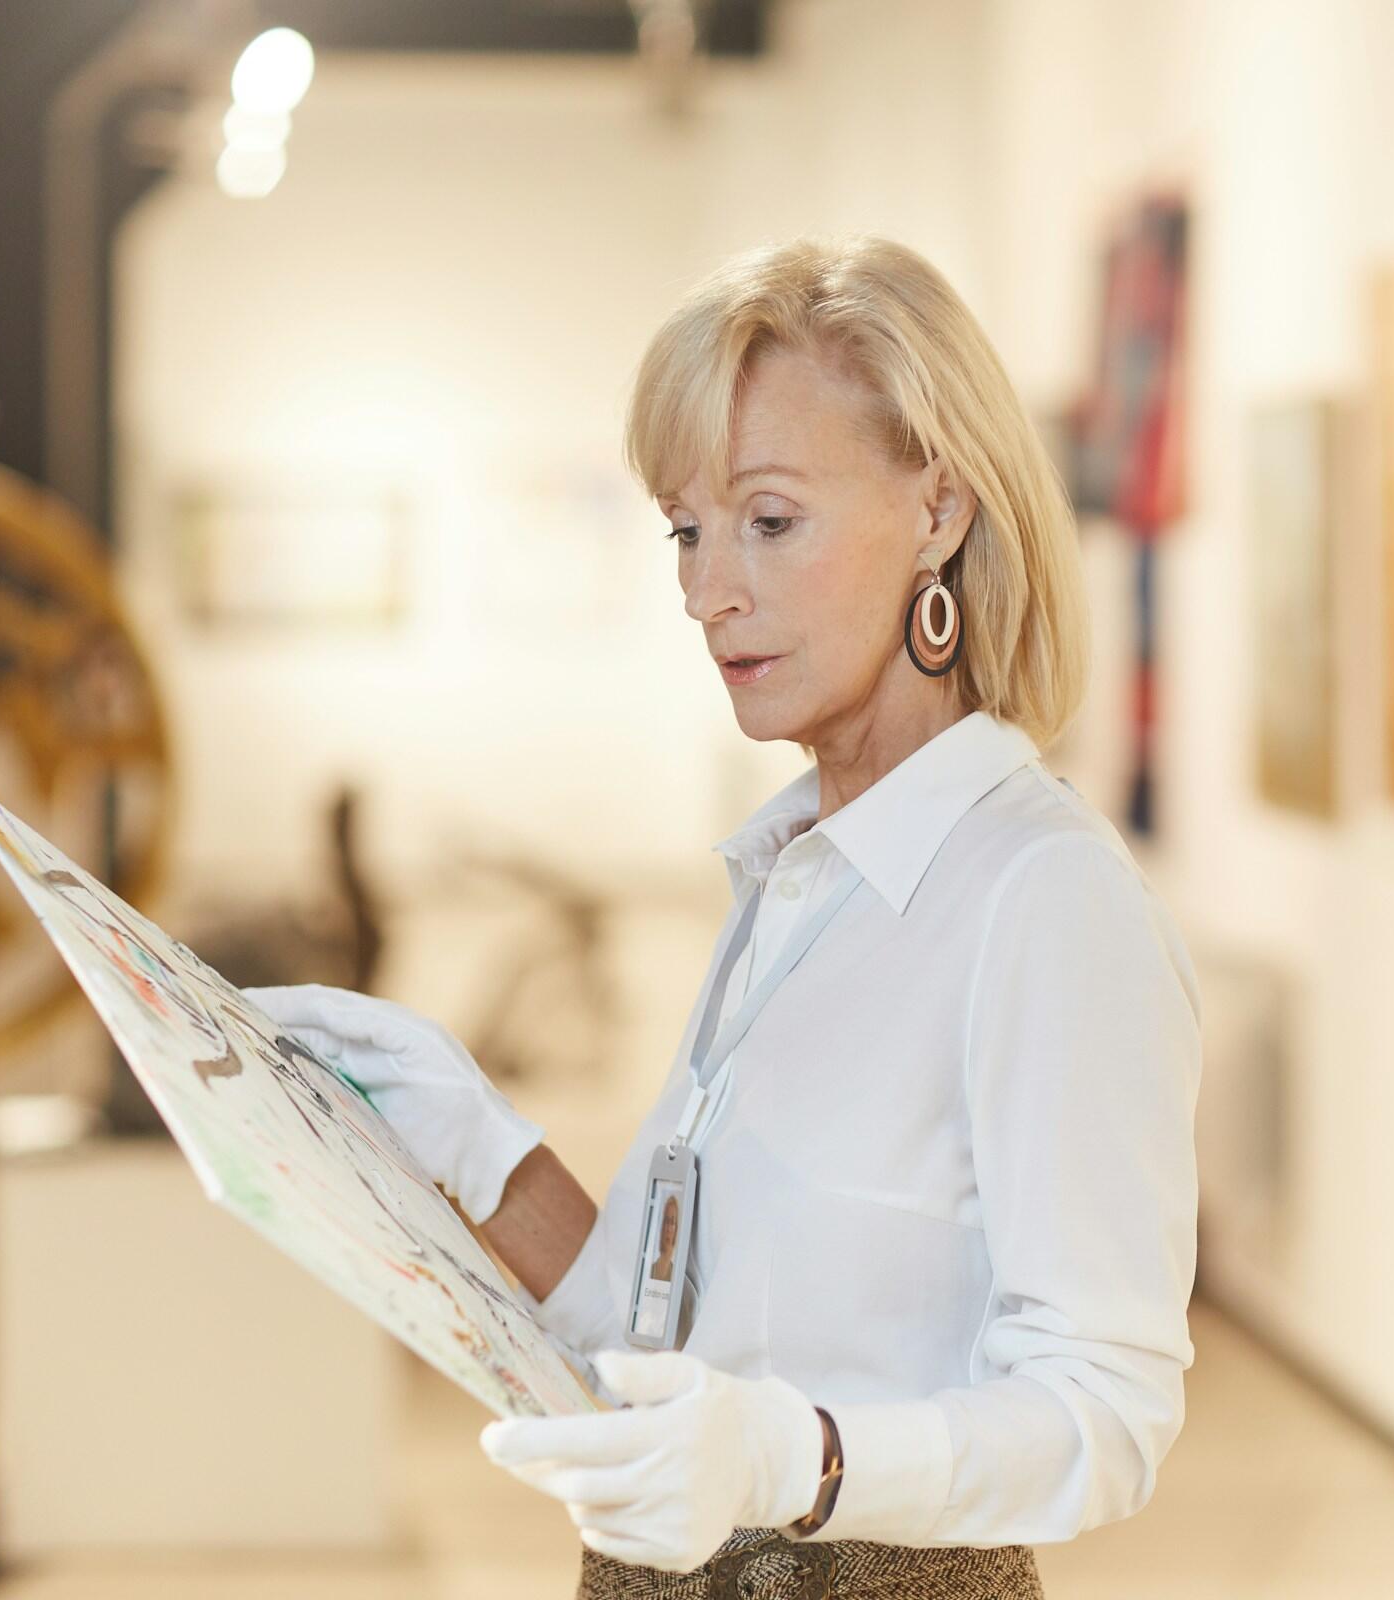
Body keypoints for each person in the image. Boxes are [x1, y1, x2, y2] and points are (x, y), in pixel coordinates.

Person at [248, 233, 1202, 1600]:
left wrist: (796, 1461)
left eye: (769, 521)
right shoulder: (789, 884)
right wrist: (474, 1145)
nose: (709, 591)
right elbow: (649, 1332)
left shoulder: (1041, 898)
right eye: (687, 531)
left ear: (939, 509)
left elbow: (1105, 1419)